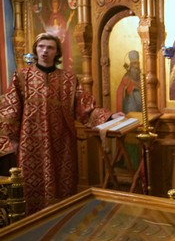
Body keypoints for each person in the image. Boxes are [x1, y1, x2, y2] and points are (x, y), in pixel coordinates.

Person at [0, 33, 123, 214]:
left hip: (62, 139)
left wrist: (110, 117)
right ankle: (32, 220)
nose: (45, 51)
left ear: (57, 52)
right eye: (41, 47)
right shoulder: (21, 76)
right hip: (30, 141)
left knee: (62, 180)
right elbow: (11, 109)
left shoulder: (68, 79)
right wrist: (11, 139)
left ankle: (63, 217)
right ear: (36, 49)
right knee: (31, 181)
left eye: (50, 48)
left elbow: (84, 107)